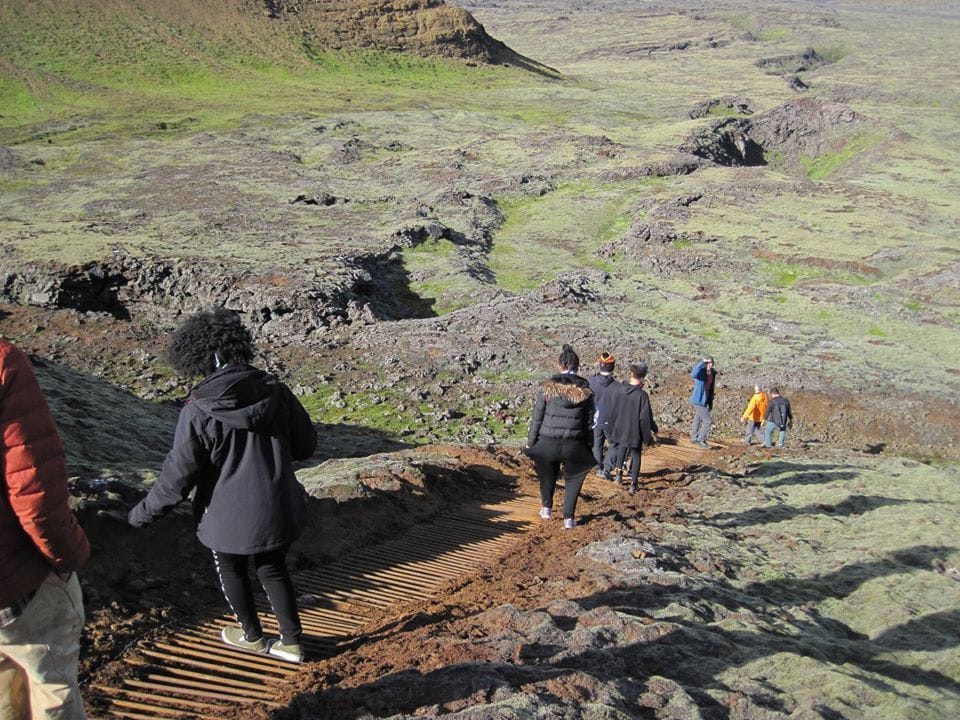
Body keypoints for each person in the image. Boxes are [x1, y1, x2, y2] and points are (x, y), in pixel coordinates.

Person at [128, 308, 317, 663]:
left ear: (200, 355)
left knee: (230, 568)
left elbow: (178, 475)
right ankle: (292, 643)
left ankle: (252, 636)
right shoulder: (276, 390)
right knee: (273, 568)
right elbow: (306, 446)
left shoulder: (199, 409)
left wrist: (141, 514)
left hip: (225, 516)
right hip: (278, 505)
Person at [0, 339, 90, 719]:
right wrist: (69, 555)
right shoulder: (3, 361)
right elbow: (33, 490)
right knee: (52, 687)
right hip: (20, 577)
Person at [525, 344, 595, 529]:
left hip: (548, 440)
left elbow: (537, 417)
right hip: (575, 443)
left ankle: (546, 508)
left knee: (547, 473)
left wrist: (531, 443)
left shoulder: (547, 389)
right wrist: (590, 444)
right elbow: (590, 422)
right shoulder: (586, 391)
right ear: (578, 366)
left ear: (559, 365)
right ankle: (569, 518)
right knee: (574, 477)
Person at [603, 363, 658, 496]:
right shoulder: (642, 395)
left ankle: (619, 475)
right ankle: (633, 484)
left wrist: (610, 428)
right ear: (643, 376)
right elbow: (645, 418)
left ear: (631, 374)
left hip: (620, 428)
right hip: (635, 431)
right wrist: (648, 436)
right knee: (636, 455)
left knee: (622, 448)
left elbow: (613, 410)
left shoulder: (620, 389)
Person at [588, 351, 617, 479]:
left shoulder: (591, 383)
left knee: (597, 444)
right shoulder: (617, 386)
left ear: (600, 365)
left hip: (595, 420)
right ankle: (607, 468)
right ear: (613, 366)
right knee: (614, 444)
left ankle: (598, 467)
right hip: (611, 422)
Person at [689, 356, 717, 449]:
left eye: (710, 363)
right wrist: (701, 363)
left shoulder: (712, 373)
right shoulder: (701, 373)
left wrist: (710, 402)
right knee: (708, 421)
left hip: (705, 400)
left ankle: (694, 438)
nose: (709, 365)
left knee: (698, 418)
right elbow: (693, 374)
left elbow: (711, 389)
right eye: (707, 363)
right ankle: (701, 439)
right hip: (698, 400)